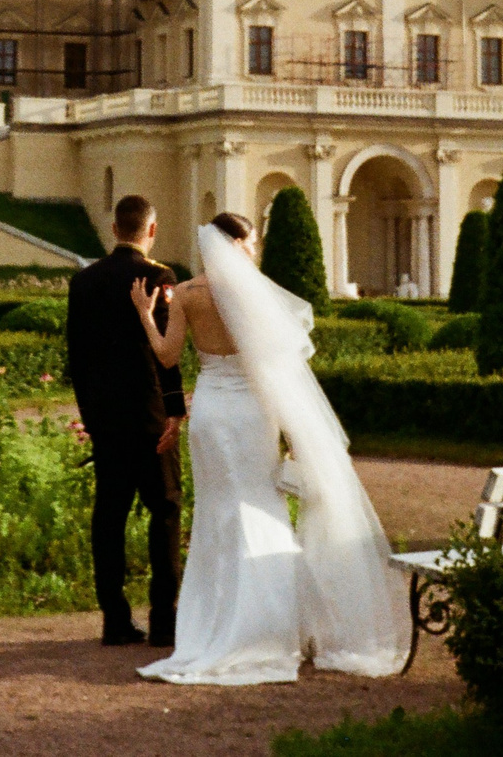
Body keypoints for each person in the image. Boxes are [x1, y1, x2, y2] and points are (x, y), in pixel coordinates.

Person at [128, 214, 406, 684]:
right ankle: (270, 624)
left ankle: (214, 626)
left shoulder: (190, 295)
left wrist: (143, 312)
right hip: (254, 413)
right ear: (239, 245)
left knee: (218, 511)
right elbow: (281, 366)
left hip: (213, 411)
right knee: (262, 504)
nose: (254, 251)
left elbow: (168, 356)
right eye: (252, 243)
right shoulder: (255, 292)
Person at [64, 193, 184, 646]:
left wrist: (90, 416)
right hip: (152, 419)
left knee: (109, 518)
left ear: (114, 229)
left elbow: (77, 359)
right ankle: (163, 620)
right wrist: (175, 411)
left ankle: (114, 619)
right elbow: (167, 357)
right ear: (151, 231)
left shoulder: (84, 282)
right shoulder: (159, 277)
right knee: (166, 511)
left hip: (107, 421)